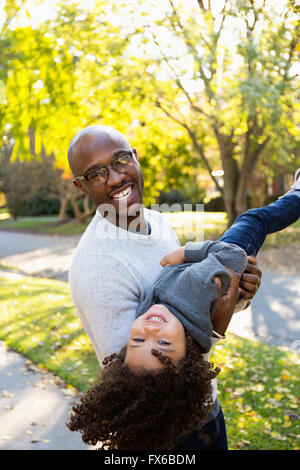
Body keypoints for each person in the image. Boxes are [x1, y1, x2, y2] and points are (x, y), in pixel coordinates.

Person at [66, 171, 300, 450]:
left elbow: (145, 372)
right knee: (254, 219)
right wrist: (187, 254)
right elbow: (230, 260)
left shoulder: (150, 313)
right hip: (220, 257)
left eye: (138, 340)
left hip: (202, 411)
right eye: (162, 343)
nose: (149, 330)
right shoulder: (101, 270)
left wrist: (237, 300)